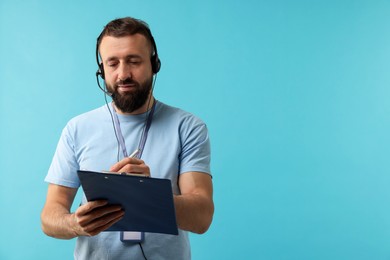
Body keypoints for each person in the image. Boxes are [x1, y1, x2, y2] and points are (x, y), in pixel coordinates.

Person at [41, 17, 214, 260]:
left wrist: (148, 194)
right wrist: (73, 223)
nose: (123, 74)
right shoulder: (77, 128)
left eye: (134, 61)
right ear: (101, 70)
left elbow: (202, 216)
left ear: (155, 64)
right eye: (112, 63)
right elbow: (50, 215)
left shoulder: (187, 127)